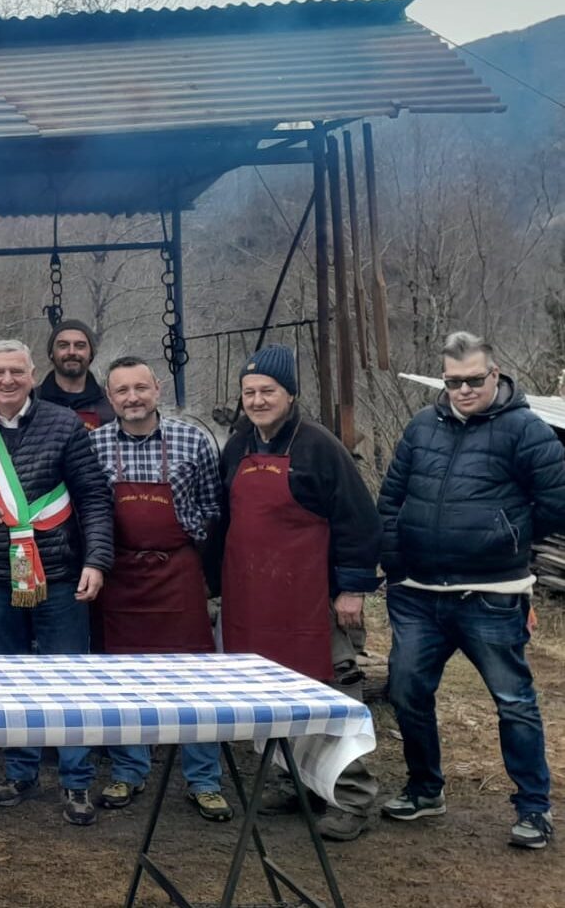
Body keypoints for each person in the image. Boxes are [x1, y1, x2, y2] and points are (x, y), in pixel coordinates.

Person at [377, 331, 565, 850]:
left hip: (491, 594)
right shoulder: (421, 426)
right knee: (408, 692)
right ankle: (424, 789)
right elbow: (391, 497)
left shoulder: (526, 430)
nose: (463, 390)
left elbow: (557, 502)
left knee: (514, 702)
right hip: (417, 592)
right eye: (453, 381)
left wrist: (509, 535)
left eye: (473, 380)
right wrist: (394, 562)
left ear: (495, 374)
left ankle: (533, 808)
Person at [0, 339, 112, 826]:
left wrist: (97, 561)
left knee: (69, 678)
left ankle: (76, 782)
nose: (7, 380)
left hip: (60, 573)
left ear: (33, 374)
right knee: (8, 677)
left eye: (16, 371)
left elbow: (93, 497)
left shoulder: (64, 425)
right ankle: (20, 771)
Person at [214, 344, 381, 841]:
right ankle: (300, 783)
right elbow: (225, 520)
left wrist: (351, 589)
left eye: (268, 391)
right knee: (275, 699)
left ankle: (352, 797)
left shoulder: (319, 445)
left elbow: (360, 521)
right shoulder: (239, 444)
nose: (258, 400)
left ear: (290, 393)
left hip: (314, 601)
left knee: (331, 698)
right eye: (250, 392)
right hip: (253, 597)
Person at [89, 357, 230, 822]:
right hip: (121, 577)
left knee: (197, 682)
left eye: (140, 388)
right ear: (110, 398)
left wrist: (204, 574)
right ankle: (130, 770)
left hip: (178, 574)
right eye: (122, 390)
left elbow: (212, 509)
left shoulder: (193, 439)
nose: (132, 397)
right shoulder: (94, 445)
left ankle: (204, 779)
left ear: (158, 389)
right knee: (122, 681)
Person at [38, 319, 114, 430]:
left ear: (91, 354)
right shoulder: (32, 402)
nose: (72, 352)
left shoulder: (110, 403)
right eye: (63, 346)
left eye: (80, 346)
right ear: (51, 353)